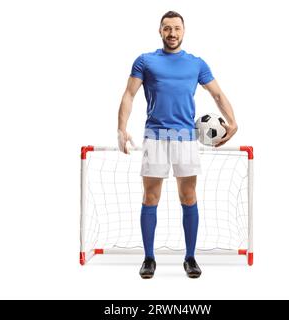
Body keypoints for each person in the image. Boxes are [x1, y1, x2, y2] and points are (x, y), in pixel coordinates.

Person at [117, 11, 238, 279]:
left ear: (184, 32)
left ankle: (190, 257)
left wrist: (233, 122)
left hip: (185, 137)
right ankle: (149, 258)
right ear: (160, 31)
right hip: (155, 137)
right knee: (150, 197)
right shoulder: (145, 61)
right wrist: (121, 128)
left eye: (177, 29)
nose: (172, 33)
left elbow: (217, 93)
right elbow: (129, 94)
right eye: (167, 28)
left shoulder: (196, 64)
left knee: (189, 196)